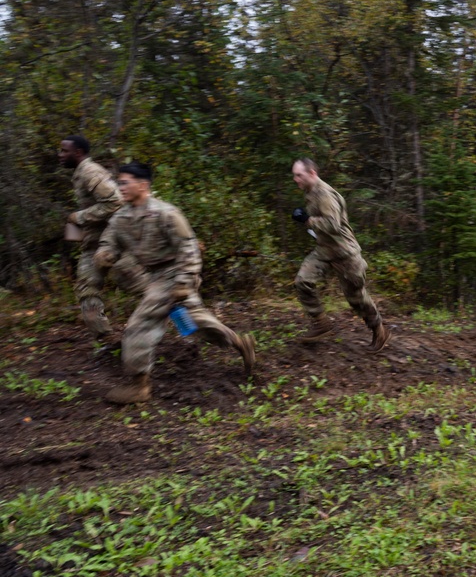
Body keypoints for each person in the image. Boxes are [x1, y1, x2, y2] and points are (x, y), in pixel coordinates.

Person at [93, 162, 255, 403]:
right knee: (192, 319)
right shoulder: (121, 217)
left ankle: (139, 386)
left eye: (125, 182)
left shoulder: (166, 213)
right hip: (155, 276)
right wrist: (104, 254)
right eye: (119, 182)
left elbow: (188, 248)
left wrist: (184, 281)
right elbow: (110, 242)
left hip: (175, 273)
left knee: (140, 324)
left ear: (143, 185)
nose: (120, 187)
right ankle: (239, 342)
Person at [290, 158, 390, 351]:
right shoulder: (310, 192)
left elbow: (333, 225)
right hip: (325, 250)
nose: (295, 179)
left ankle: (379, 330)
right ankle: (321, 324)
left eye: (299, 175)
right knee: (303, 281)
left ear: (312, 173)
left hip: (346, 254)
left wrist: (308, 220)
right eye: (294, 175)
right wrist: (305, 218)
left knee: (356, 298)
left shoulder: (324, 193)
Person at [58, 136, 145, 338]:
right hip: (94, 244)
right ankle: (107, 339)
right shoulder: (80, 174)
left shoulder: (90, 172)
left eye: (64, 151)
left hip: (115, 242)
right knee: (87, 289)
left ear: (78, 153)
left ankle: (188, 321)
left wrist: (79, 217)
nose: (60, 155)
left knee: (141, 286)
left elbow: (115, 202)